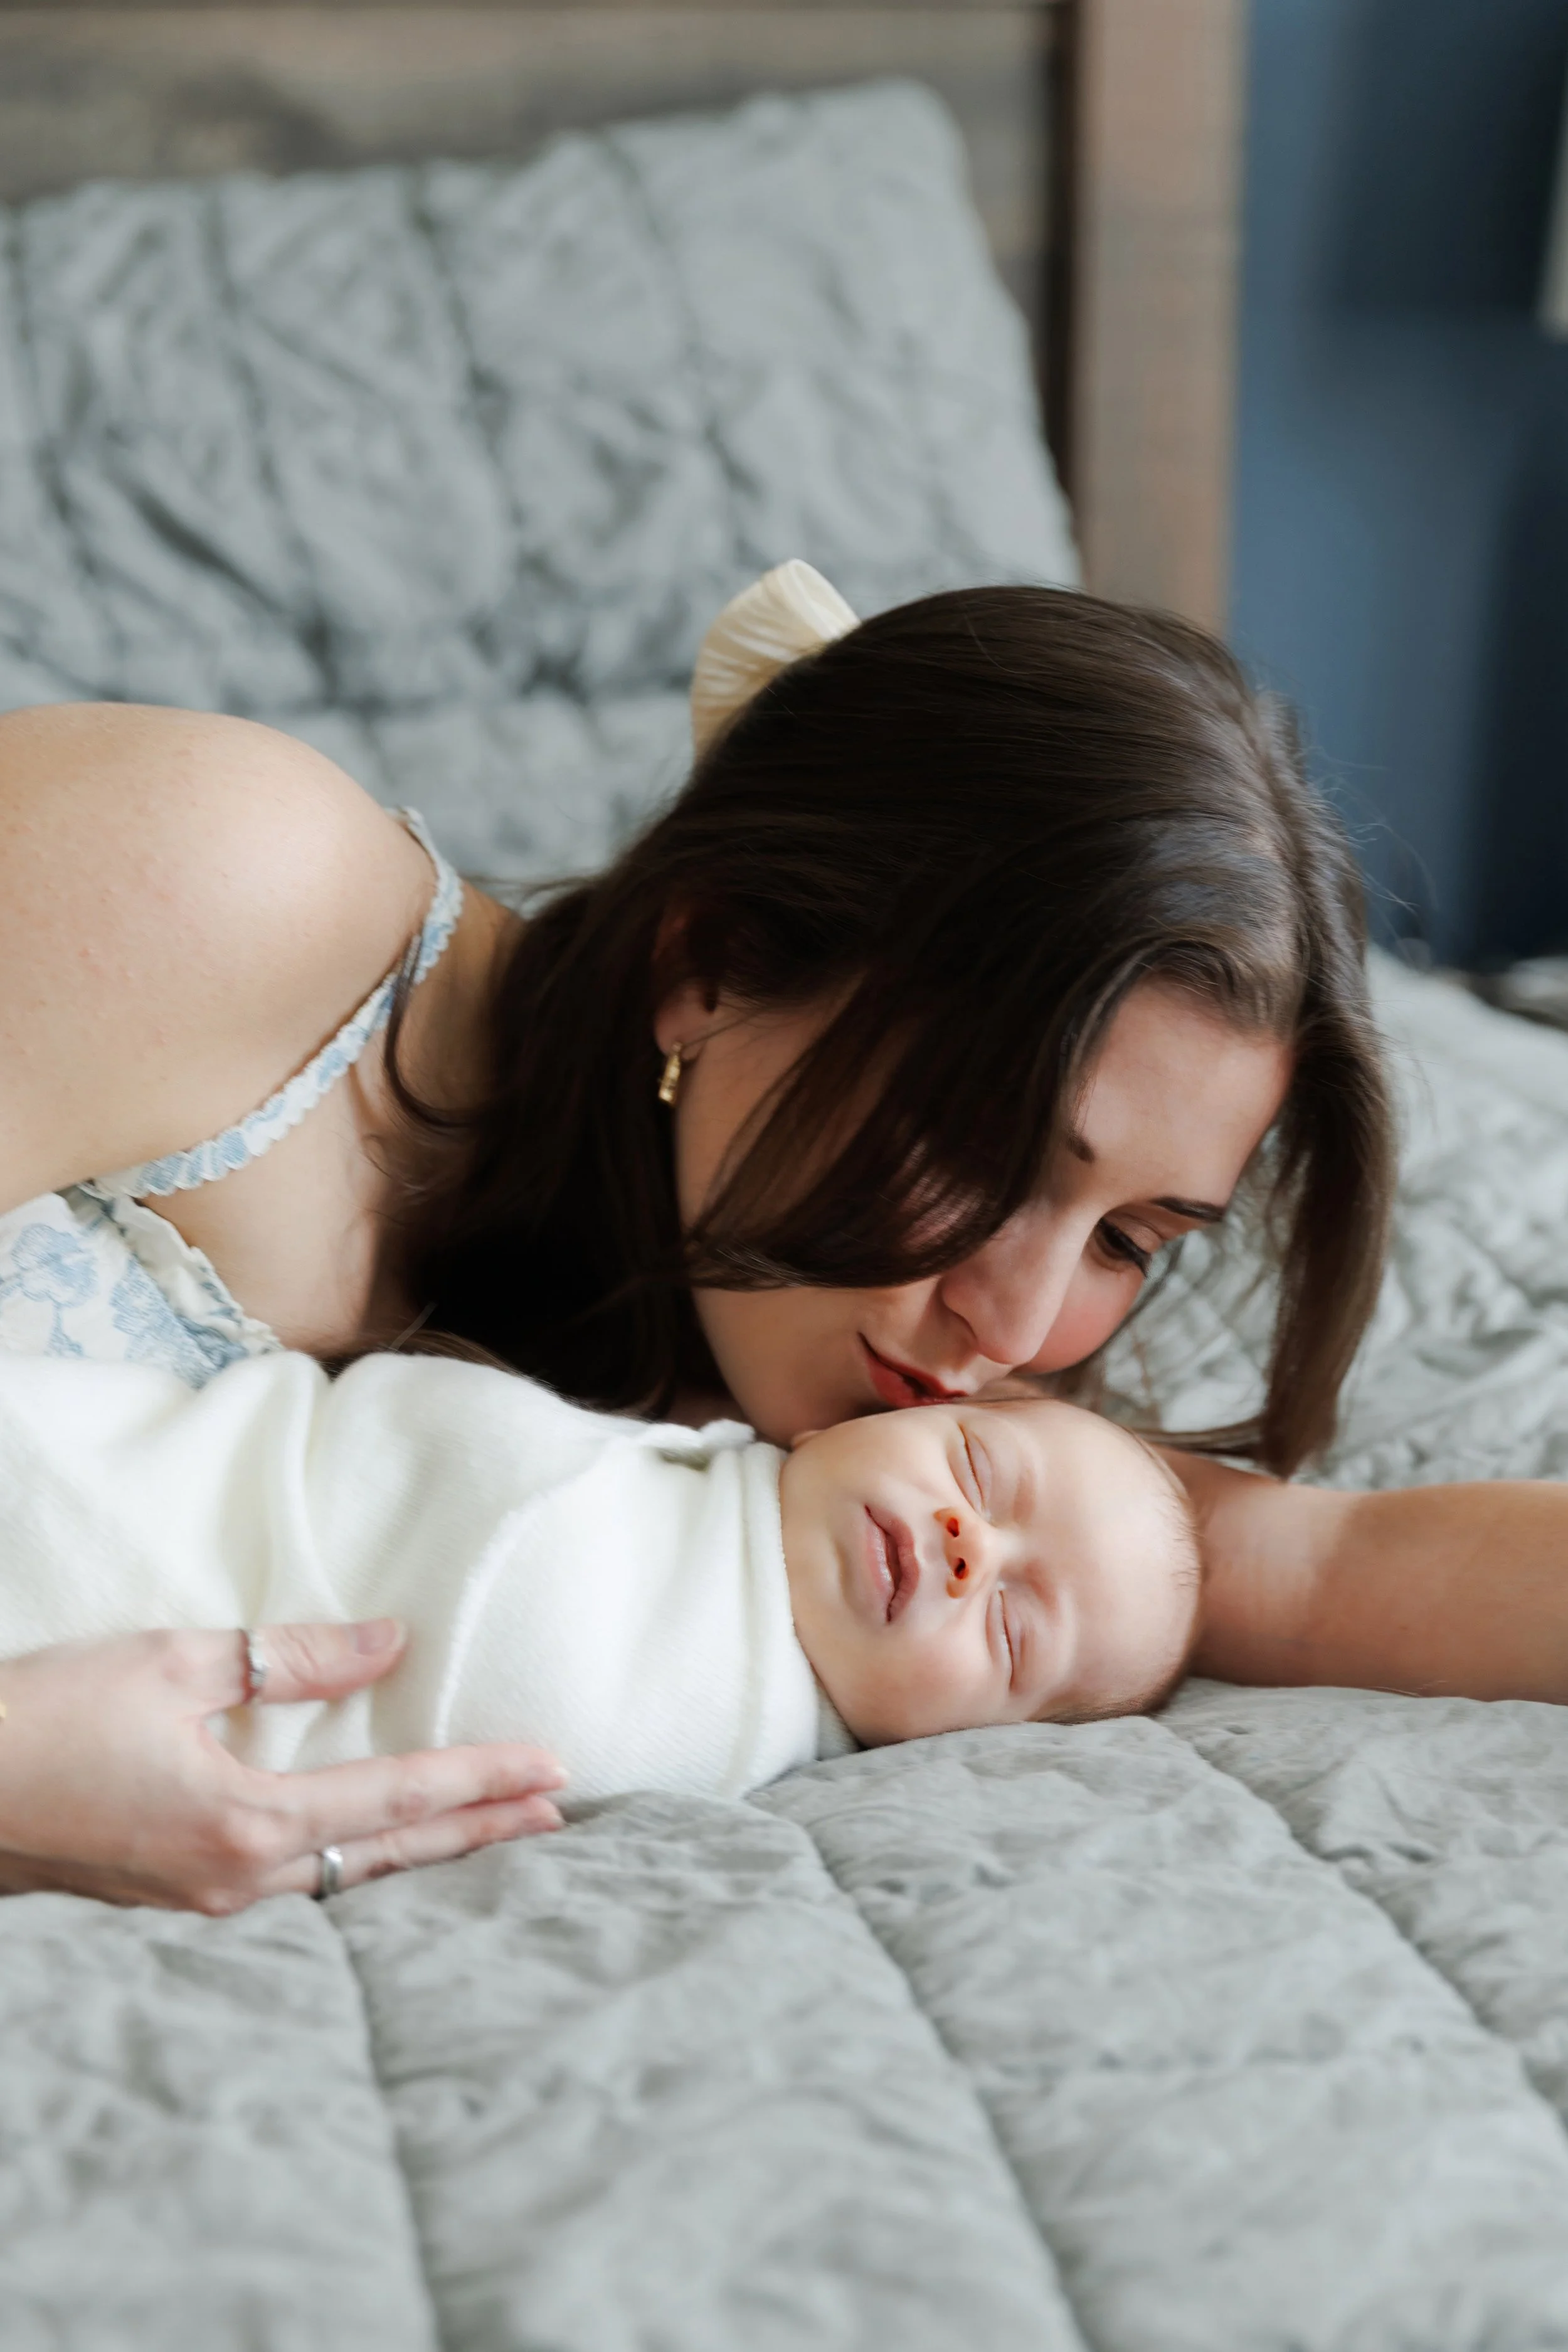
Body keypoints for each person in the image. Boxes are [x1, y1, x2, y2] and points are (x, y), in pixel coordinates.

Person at [0, 561, 1559, 1912]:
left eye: (1126, 1239)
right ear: (715, 960)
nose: (1010, 1328)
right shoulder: (227, 881)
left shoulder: (869, 1458)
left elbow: (1302, 1560)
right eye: (989, 1150)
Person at [0, 1348, 1200, 1811]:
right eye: (976, 1470)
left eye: (1008, 1624)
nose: (966, 1546)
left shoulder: (731, 1732)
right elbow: (391, 1449)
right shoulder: (692, 1447)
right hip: (158, 1470)